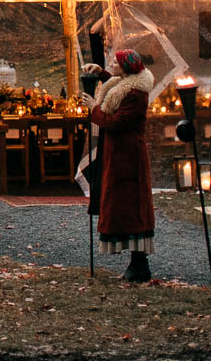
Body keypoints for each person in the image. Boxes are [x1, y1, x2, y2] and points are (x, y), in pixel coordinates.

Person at [83, 48, 156, 283]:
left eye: (115, 62)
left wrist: (95, 108)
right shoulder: (126, 85)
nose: (112, 63)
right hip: (119, 156)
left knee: (132, 207)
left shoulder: (136, 94)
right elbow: (116, 86)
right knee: (122, 205)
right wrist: (101, 73)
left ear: (126, 67)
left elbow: (115, 122)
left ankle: (139, 263)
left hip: (129, 159)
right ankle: (137, 263)